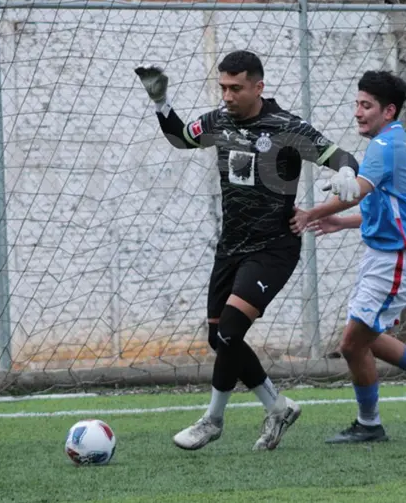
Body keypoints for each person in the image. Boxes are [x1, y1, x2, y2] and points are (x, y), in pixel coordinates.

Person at [134, 50, 362, 451]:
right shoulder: (218, 121)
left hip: (273, 248)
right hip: (231, 247)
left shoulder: (285, 127)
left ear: (259, 86)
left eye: (236, 88)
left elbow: (339, 155)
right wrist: (159, 102)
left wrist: (345, 172)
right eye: (223, 87)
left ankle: (213, 420)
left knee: (230, 331)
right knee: (219, 339)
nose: (227, 95)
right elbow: (180, 138)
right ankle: (276, 406)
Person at [290, 70, 406, 444]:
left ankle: (369, 424)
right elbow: (386, 206)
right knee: (368, 335)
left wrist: (311, 214)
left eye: (366, 105)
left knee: (352, 344)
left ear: (389, 111)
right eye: (357, 104)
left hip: (395, 260)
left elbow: (357, 191)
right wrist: (341, 222)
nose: (358, 112)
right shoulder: (391, 142)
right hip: (386, 256)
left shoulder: (385, 148)